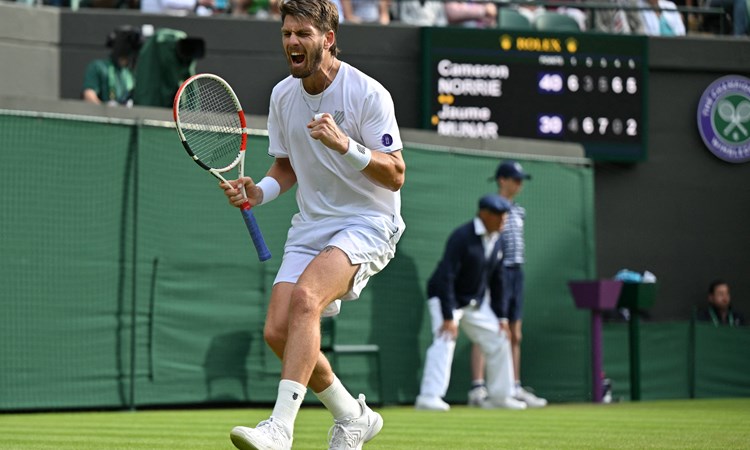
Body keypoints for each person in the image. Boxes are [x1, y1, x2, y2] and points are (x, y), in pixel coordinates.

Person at [221, 0, 405, 448]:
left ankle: (280, 428)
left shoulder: (367, 93)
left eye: (302, 33)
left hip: (368, 221)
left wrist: (347, 146)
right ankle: (351, 415)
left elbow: (396, 172)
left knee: (306, 299)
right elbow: (286, 166)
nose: (292, 42)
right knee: (278, 332)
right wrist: (257, 191)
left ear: (328, 38)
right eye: (286, 34)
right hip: (312, 225)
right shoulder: (283, 95)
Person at [414, 194, 527, 412]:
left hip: (475, 301)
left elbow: (498, 280)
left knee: (500, 337)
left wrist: (502, 317)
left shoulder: (499, 240)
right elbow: (447, 276)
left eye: (505, 217)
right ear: (484, 214)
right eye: (499, 217)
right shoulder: (462, 237)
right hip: (446, 298)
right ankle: (429, 397)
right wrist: (448, 317)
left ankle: (500, 397)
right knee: (445, 338)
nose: (503, 221)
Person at [468, 161, 548, 409]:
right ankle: (478, 388)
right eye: (515, 179)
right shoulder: (489, 208)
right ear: (502, 180)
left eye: (521, 179)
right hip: (495, 274)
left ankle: (513, 387)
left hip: (516, 273)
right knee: (486, 330)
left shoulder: (519, 211)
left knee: (514, 333)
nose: (519, 184)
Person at [81, 26, 141, 106]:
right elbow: (89, 94)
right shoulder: (99, 67)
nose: (126, 60)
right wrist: (107, 114)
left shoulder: (130, 73)